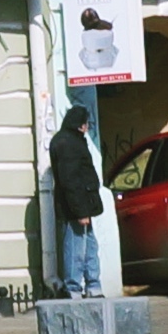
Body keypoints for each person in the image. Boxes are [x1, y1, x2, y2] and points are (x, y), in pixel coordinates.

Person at [48, 98, 111, 292]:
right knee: (76, 248)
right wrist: (81, 212)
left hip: (81, 205)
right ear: (80, 124)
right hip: (76, 208)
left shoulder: (69, 140)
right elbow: (71, 180)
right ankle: (74, 288)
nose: (87, 127)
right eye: (86, 123)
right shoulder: (69, 143)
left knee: (90, 246)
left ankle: (93, 285)